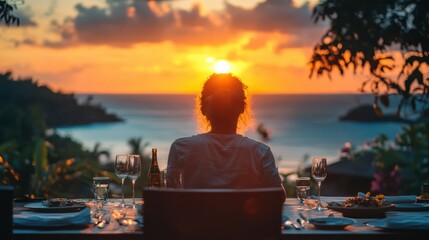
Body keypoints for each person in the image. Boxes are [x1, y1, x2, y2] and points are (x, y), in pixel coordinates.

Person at [167, 73, 285, 199]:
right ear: (242, 108)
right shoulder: (260, 152)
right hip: (243, 219)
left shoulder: (181, 148)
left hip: (197, 219)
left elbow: (171, 196)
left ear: (203, 109)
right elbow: (277, 198)